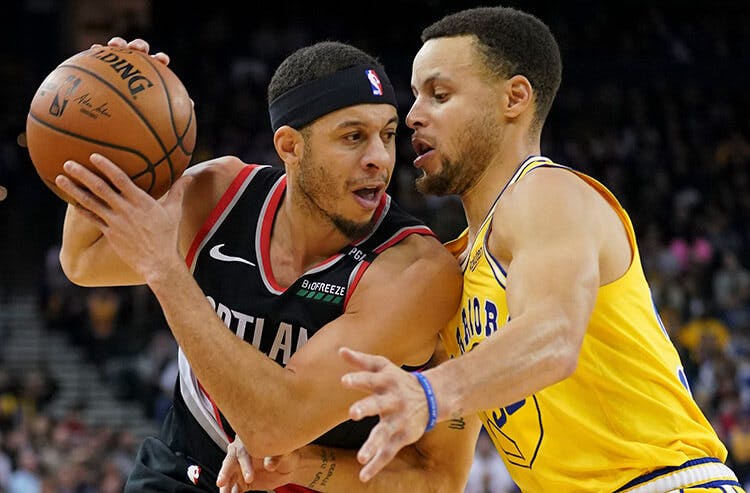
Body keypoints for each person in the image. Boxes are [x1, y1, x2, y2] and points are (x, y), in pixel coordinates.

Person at [339, 5, 745, 492]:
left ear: (514, 98)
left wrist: (428, 394)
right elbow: (434, 477)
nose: (413, 115)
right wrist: (290, 459)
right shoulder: (459, 266)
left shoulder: (545, 194)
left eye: (439, 94)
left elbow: (553, 338)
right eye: (416, 95)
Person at [56, 37, 480, 492]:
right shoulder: (220, 195)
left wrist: (165, 270)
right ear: (290, 146)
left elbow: (272, 429)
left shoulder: (413, 271)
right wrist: (114, 129)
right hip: (184, 472)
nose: (379, 157)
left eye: (388, 134)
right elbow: (84, 259)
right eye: (353, 137)